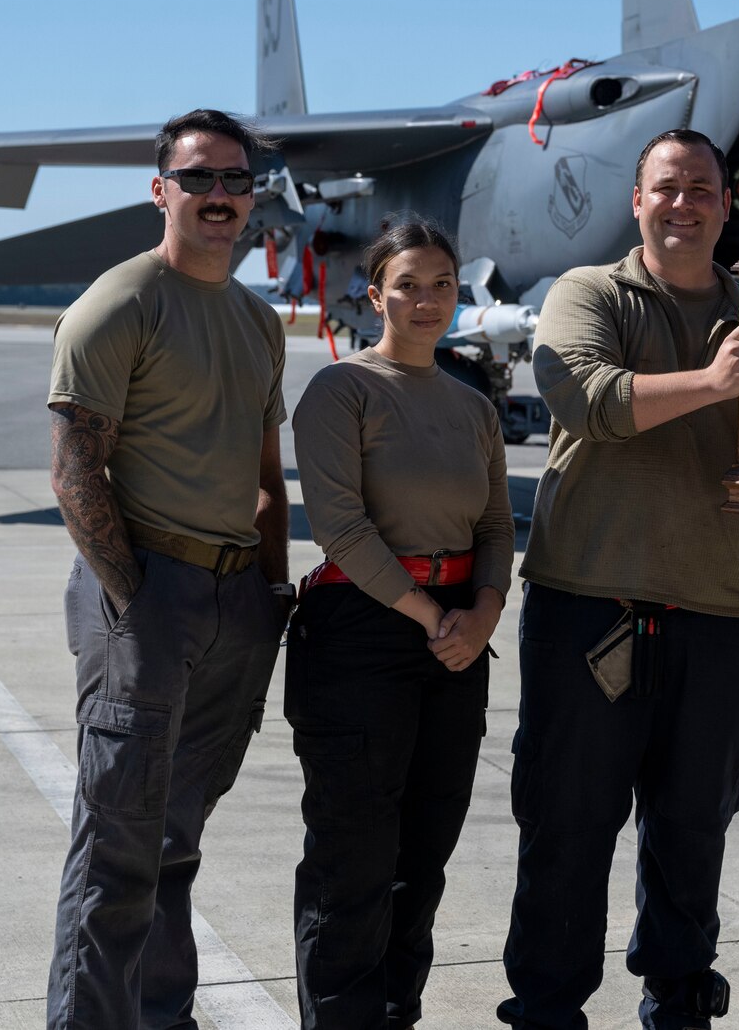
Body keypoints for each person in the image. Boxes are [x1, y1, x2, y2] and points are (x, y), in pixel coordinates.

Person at [499, 128, 739, 1030]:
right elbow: (588, 400)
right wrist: (715, 379)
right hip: (592, 604)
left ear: (727, 205)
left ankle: (680, 999)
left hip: (721, 610)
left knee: (694, 827)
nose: (682, 203)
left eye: (701, 189)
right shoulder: (591, 293)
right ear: (636, 202)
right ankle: (547, 1006)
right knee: (569, 825)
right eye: (666, 187)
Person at [44, 108, 290, 1030]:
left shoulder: (257, 322)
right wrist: (133, 600)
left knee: (175, 842)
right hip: (146, 597)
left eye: (234, 179)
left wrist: (269, 592)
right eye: (199, 179)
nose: (218, 195)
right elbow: (74, 472)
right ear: (162, 190)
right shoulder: (120, 303)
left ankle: (161, 1015)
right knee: (116, 851)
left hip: (233, 603)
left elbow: (267, 478)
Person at [287, 216, 513, 1028]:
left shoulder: (472, 404)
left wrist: (482, 615)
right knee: (354, 857)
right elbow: (340, 526)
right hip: (363, 629)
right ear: (374, 293)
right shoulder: (341, 390)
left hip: (457, 637)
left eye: (442, 284)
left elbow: (495, 529)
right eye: (408, 284)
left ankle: (395, 1012)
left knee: (423, 859)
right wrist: (433, 617)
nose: (426, 300)